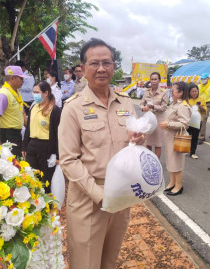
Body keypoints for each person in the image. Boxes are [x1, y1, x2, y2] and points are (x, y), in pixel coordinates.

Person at [58, 38, 145, 269]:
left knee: (109, 258)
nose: (101, 68)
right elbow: (68, 159)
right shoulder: (73, 107)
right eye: (94, 63)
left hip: (121, 194)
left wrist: (139, 143)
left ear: (114, 66)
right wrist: (99, 195)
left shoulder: (125, 103)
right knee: (86, 262)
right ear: (83, 69)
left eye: (106, 62)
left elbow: (135, 148)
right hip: (89, 196)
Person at [22, 81, 61, 193]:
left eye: (37, 92)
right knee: (32, 175)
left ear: (46, 93)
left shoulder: (55, 110)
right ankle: (35, 201)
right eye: (33, 92)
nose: (34, 95)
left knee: (47, 178)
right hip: (32, 145)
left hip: (47, 147)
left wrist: (58, 155)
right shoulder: (33, 107)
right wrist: (25, 146)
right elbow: (28, 128)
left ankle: (48, 203)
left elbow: (59, 134)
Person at [159, 82, 192, 196]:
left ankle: (179, 185)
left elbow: (184, 123)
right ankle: (172, 182)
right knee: (170, 160)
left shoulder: (182, 106)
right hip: (170, 136)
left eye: (173, 91)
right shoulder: (174, 104)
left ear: (181, 93)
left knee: (177, 162)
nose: (171, 92)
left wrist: (168, 124)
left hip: (177, 137)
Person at [0, 66, 28, 157]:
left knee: (17, 160)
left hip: (16, 134)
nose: (23, 81)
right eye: (21, 78)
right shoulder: (3, 94)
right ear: (12, 78)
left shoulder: (15, 93)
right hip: (7, 135)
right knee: (11, 162)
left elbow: (21, 112)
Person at [139, 72, 169, 158]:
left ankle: (156, 163)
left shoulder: (163, 92)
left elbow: (164, 107)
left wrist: (153, 106)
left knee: (157, 144)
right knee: (147, 143)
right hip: (148, 120)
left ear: (159, 80)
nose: (153, 81)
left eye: (155, 79)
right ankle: (149, 162)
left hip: (159, 120)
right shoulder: (147, 92)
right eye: (152, 79)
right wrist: (143, 108)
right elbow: (141, 103)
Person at [187, 84, 207, 159]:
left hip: (197, 122)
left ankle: (192, 152)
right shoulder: (187, 100)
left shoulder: (201, 99)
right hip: (188, 121)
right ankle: (185, 149)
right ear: (189, 92)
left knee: (195, 137)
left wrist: (201, 107)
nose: (194, 93)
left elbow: (205, 111)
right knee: (187, 136)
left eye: (196, 91)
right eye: (192, 91)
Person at [198, 73, 210, 144]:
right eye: (202, 79)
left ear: (208, 78)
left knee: (203, 120)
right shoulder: (199, 86)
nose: (203, 80)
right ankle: (196, 134)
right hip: (198, 104)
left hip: (207, 104)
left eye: (204, 78)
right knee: (196, 120)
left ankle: (202, 137)